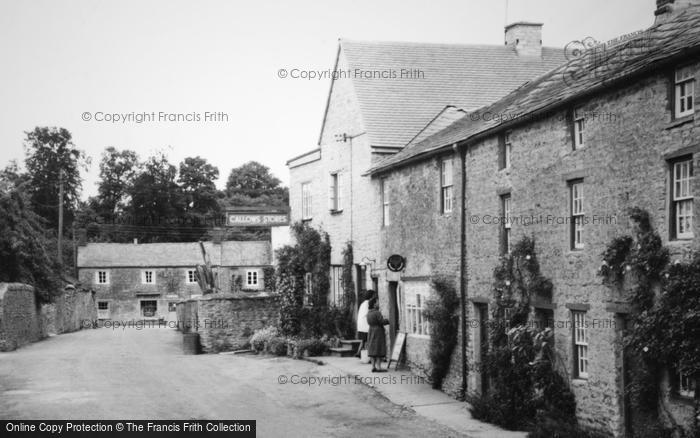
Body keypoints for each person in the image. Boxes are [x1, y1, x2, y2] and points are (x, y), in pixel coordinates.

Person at [366, 297, 389, 372]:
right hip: (378, 331)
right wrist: (388, 320)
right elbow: (381, 321)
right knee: (378, 348)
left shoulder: (369, 313)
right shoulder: (377, 312)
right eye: (377, 302)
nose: (378, 304)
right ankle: (378, 367)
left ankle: (373, 366)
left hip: (371, 330)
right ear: (374, 304)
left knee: (372, 348)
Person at [355, 290, 375, 357]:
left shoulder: (363, 303)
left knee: (363, 340)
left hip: (361, 325)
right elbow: (370, 313)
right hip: (365, 325)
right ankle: (367, 355)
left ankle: (358, 352)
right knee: (368, 340)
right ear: (371, 296)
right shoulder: (368, 303)